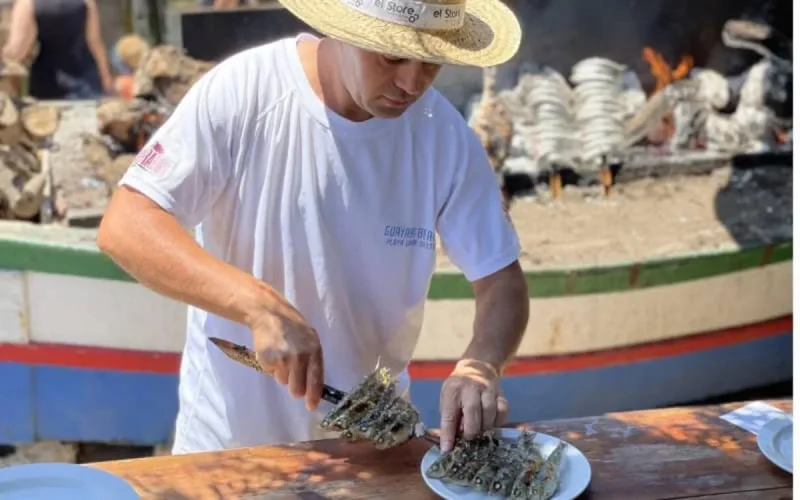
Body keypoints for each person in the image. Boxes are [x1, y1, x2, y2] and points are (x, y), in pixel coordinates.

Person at [97, 0, 529, 455]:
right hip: (231, 451)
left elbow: (501, 281)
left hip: (371, 447)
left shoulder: (442, 134)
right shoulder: (246, 91)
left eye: (432, 62)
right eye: (392, 57)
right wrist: (257, 306)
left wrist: (480, 365)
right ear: (344, 29)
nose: (412, 83)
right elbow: (127, 224)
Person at [2, 0, 113, 99]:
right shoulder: (86, 3)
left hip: (48, 84)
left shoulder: (28, 4)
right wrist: (106, 79)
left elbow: (18, 51)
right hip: (86, 82)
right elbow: (95, 43)